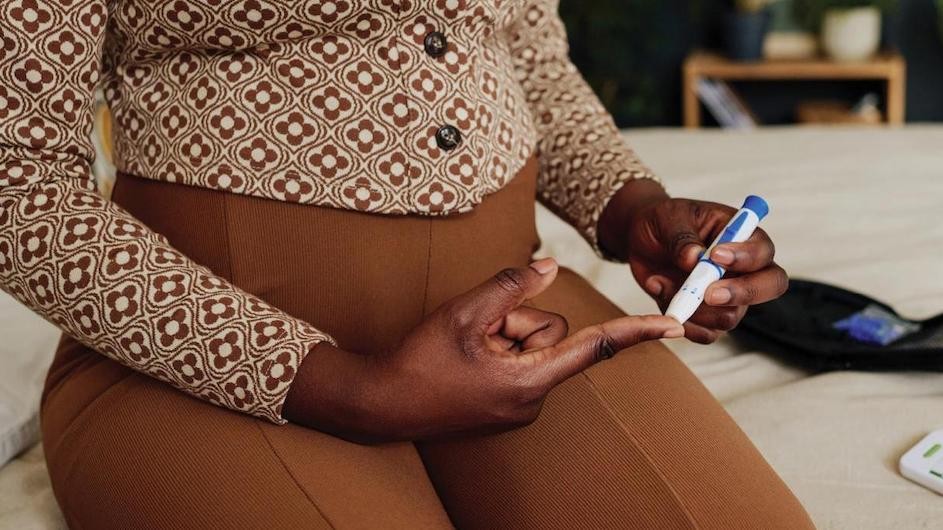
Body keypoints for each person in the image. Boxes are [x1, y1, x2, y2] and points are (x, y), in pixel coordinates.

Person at [1, 0, 810, 528]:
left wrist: (630, 207)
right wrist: (353, 391)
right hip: (206, 360)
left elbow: (522, 48)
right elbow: (19, 180)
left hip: (519, 327)